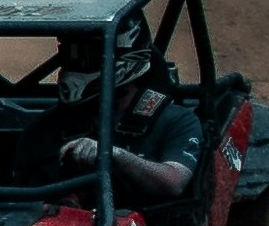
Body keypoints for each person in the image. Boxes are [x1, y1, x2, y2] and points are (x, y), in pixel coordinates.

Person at [60, 65, 203, 205]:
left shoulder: (177, 120)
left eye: (88, 54)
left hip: (147, 223)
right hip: (66, 223)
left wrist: (114, 154)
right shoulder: (58, 122)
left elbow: (174, 183)